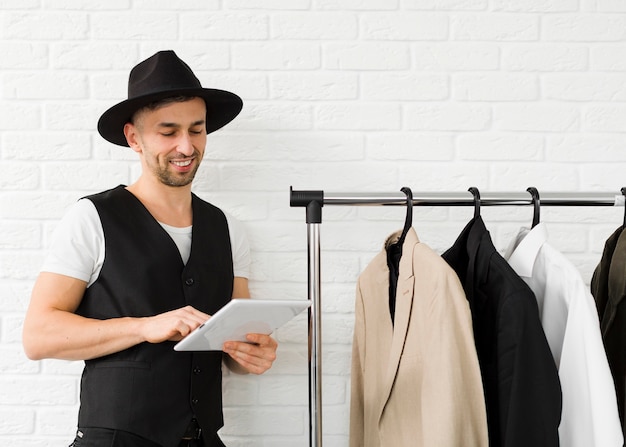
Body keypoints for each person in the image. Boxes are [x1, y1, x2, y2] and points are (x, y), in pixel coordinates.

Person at [22, 50, 278, 447]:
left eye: (196, 129)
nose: (187, 146)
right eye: (168, 131)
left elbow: (233, 339)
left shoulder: (227, 229)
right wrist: (144, 326)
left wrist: (250, 355)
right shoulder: (92, 218)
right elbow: (38, 337)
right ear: (133, 138)